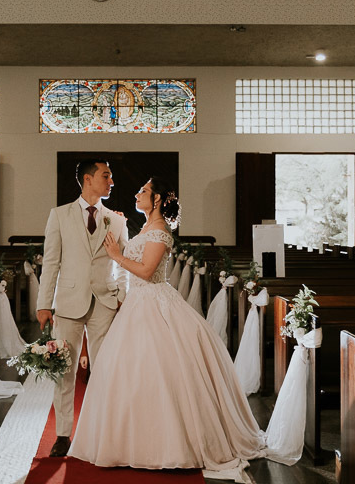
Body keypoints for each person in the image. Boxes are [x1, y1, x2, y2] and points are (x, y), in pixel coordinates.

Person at [69, 177, 266, 479]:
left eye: (143, 191)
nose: (137, 194)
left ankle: (168, 443)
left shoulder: (160, 232)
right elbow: (137, 257)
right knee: (132, 373)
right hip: (139, 304)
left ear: (158, 199)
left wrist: (117, 256)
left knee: (162, 372)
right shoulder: (148, 228)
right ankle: (129, 440)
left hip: (154, 303)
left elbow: (147, 272)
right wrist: (119, 231)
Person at [36, 158, 129, 457]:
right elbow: (50, 263)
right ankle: (63, 434)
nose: (111, 182)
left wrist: (120, 297)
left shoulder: (117, 220)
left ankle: (101, 430)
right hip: (67, 304)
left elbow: (124, 264)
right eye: (106, 176)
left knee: (104, 370)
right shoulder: (59, 215)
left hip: (105, 301)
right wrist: (44, 304)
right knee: (64, 371)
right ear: (88, 179)